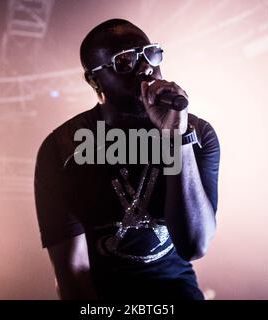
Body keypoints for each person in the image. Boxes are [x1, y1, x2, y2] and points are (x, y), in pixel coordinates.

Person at [34, 19, 220, 300]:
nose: (146, 67)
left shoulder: (196, 134)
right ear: (94, 80)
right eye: (124, 62)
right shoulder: (62, 149)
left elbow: (195, 246)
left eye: (150, 53)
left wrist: (176, 139)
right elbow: (73, 272)